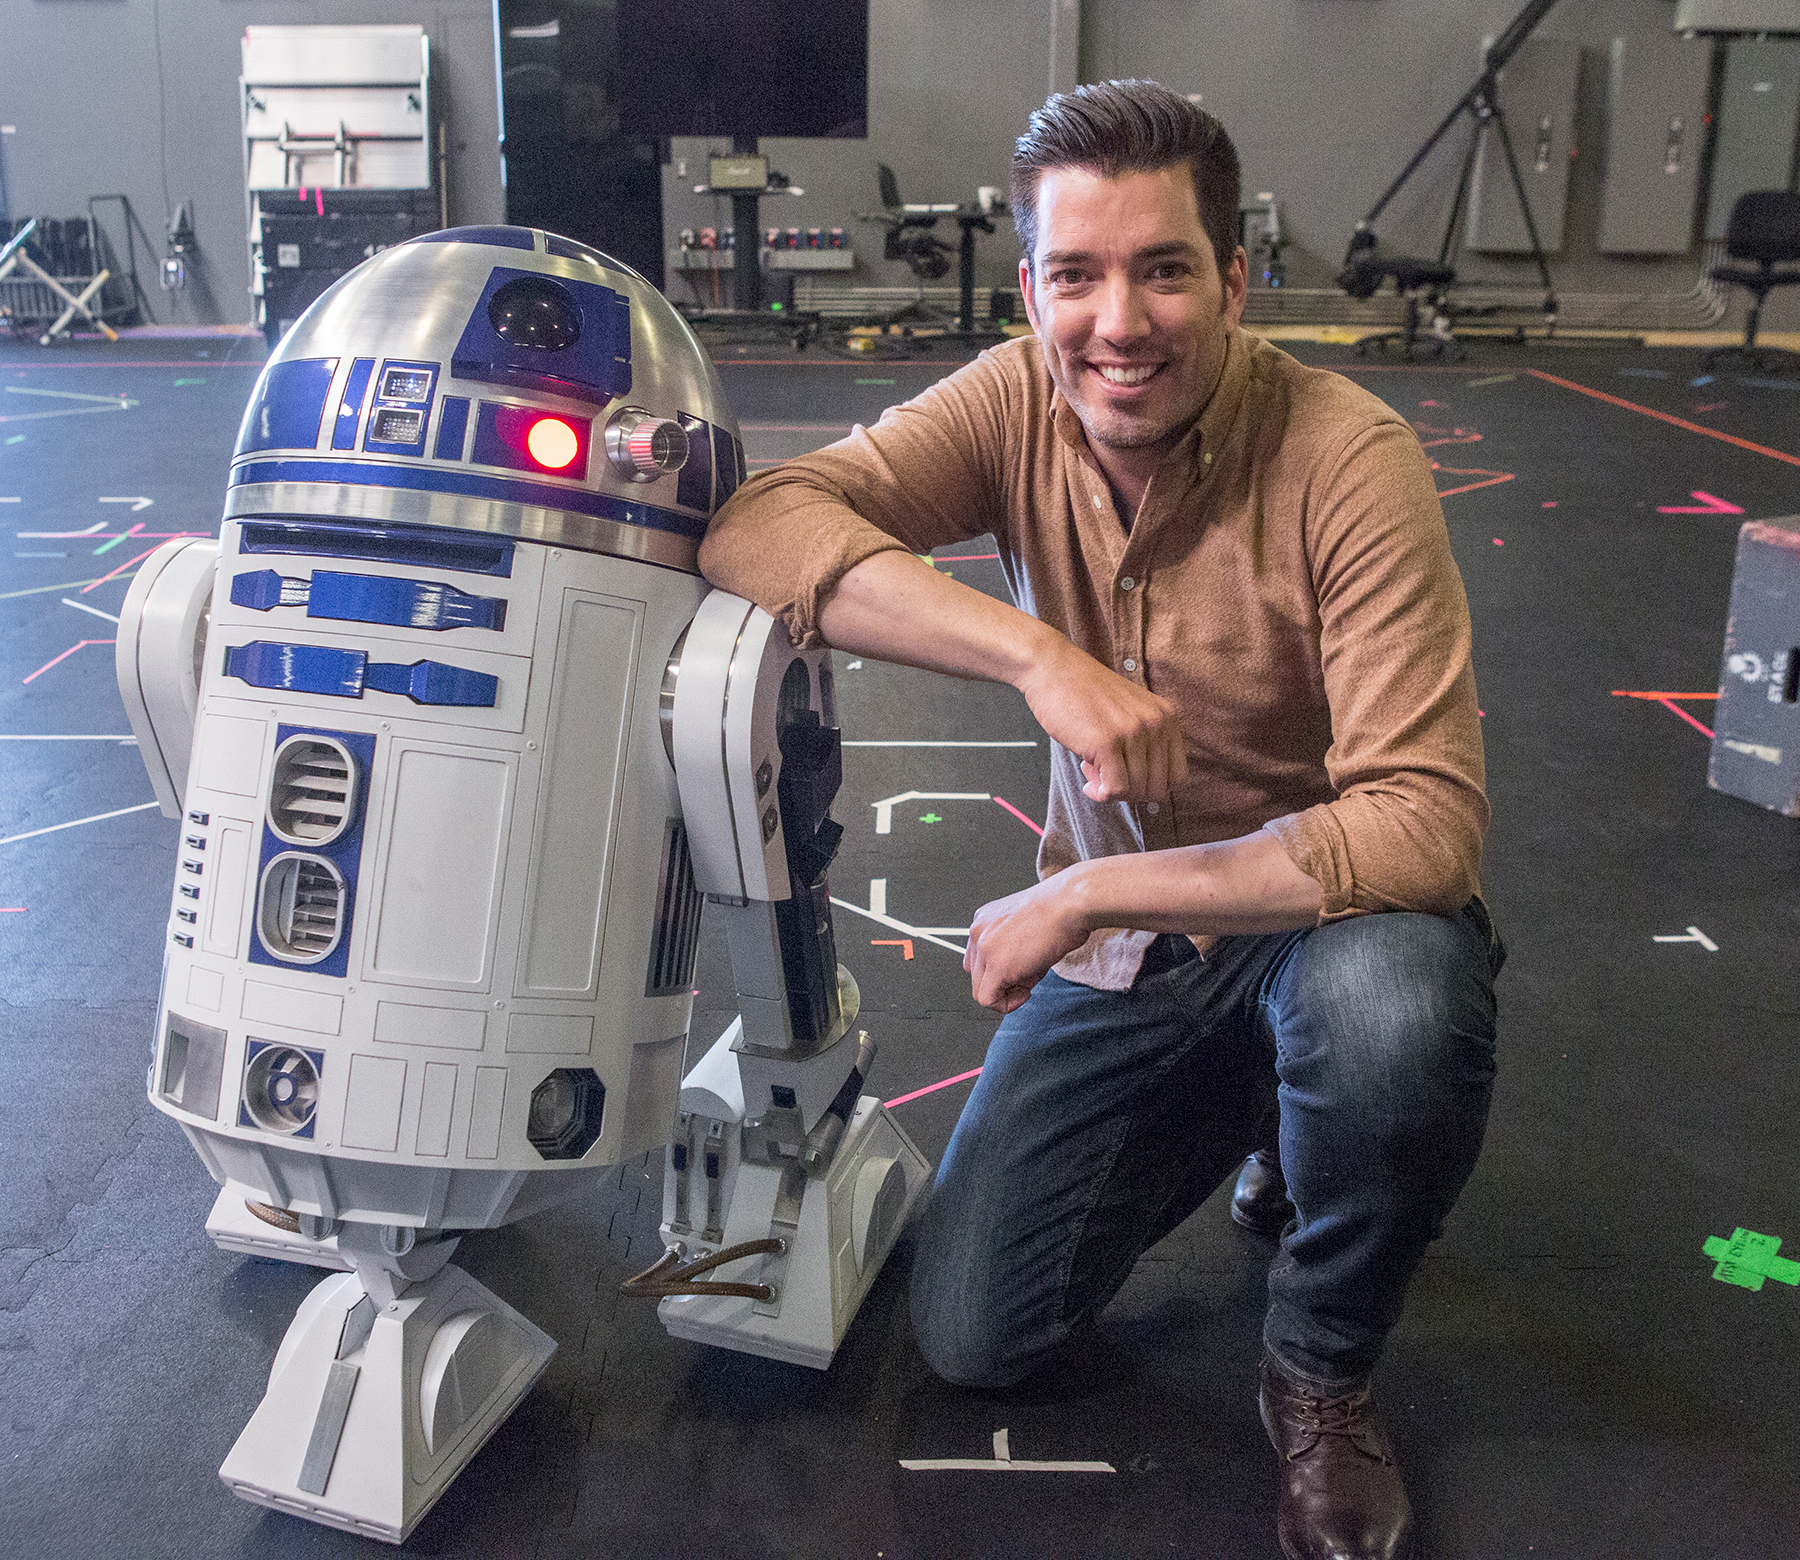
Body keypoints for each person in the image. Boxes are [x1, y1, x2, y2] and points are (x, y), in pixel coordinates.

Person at [698, 79, 1503, 1560]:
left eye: (1164, 269)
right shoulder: (1015, 401)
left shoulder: (1347, 454)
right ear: (1031, 288)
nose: (1117, 321)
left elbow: (1424, 828)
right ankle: (1271, 1101)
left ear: (1236, 279)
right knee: (975, 1335)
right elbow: (763, 523)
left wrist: (1092, 895)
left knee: (1396, 1008)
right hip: (1144, 964)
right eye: (1077, 275)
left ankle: (1319, 1370)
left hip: (1321, 923)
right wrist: (1035, 655)